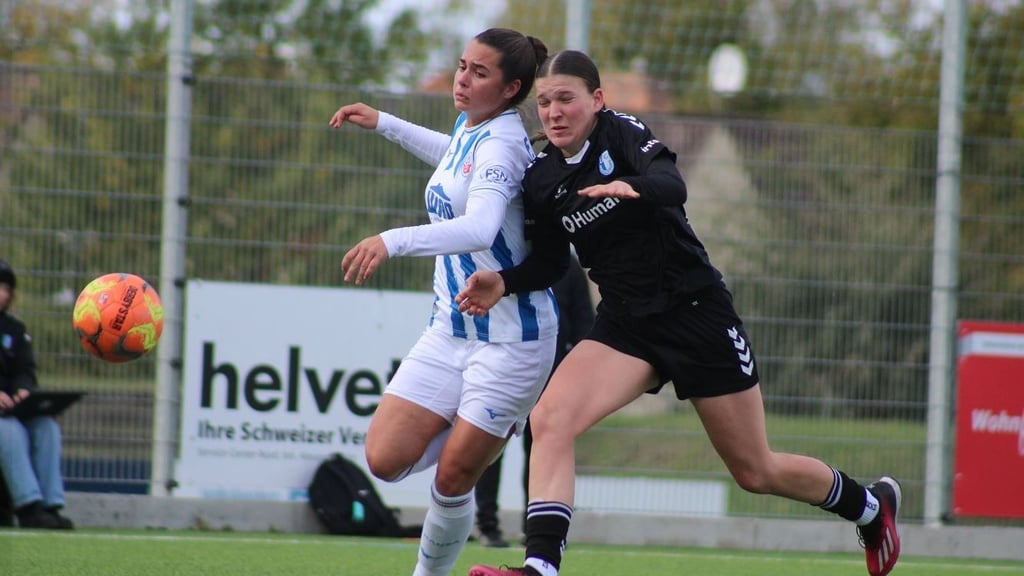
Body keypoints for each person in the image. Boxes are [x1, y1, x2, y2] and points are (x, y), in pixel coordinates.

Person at [456, 50, 902, 576]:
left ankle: (870, 507)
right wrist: (504, 281)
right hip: (626, 325)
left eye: (566, 99)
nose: (553, 112)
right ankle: (540, 567)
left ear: (596, 100)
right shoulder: (541, 178)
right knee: (550, 419)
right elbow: (553, 263)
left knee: (755, 470)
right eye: (545, 102)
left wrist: (633, 187)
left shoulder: (621, 133)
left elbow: (673, 185)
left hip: (696, 314)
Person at [329, 29, 558, 576]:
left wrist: (393, 240)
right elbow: (452, 159)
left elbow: (479, 226)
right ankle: (490, 427)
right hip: (451, 329)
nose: (462, 78)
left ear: (511, 89)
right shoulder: (472, 127)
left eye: (480, 73)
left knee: (451, 478)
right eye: (462, 66)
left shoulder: (502, 143)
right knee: (384, 461)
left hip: (512, 342)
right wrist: (383, 122)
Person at [473, 253, 593, 547]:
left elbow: (584, 325)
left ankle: (535, 530)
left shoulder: (568, 267)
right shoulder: (502, 258)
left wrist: (576, 374)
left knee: (543, 449)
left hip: (551, 375)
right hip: (504, 368)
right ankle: (486, 524)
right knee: (490, 446)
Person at [0, 259, 74, 530]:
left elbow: (25, 370)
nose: (3, 294)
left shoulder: (15, 331)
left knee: (46, 426)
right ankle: (27, 506)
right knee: (7, 430)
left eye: (7, 288)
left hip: (11, 409)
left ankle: (49, 505)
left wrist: (23, 391)